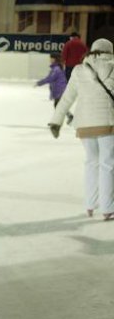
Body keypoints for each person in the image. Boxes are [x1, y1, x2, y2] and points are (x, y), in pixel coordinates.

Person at [49, 38, 114, 221]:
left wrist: (56, 121)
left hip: (84, 124)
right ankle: (108, 208)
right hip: (107, 123)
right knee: (108, 164)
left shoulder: (79, 70)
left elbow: (67, 98)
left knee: (91, 162)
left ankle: (90, 205)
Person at [35, 52, 72, 124]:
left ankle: (56, 121)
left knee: (57, 105)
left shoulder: (56, 69)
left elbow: (49, 79)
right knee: (59, 105)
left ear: (54, 59)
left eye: (51, 58)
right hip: (60, 89)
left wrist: (39, 83)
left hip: (59, 89)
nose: (50, 59)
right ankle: (69, 116)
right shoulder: (58, 67)